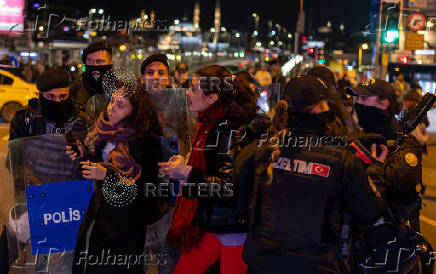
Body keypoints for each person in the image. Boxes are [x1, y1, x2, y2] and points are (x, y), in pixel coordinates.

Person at [242, 75, 386, 273]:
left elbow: (239, 204)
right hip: (316, 266)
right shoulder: (341, 159)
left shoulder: (259, 151)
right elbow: (368, 212)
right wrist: (376, 170)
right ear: (318, 108)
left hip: (262, 263)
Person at [160, 65, 258, 274]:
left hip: (232, 227)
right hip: (212, 221)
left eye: (194, 89)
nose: (188, 92)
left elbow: (226, 187)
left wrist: (186, 173)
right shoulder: (210, 123)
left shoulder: (229, 131)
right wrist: (185, 167)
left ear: (212, 98)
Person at [70, 83, 163, 274]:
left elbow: (147, 188)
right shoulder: (102, 132)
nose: (112, 108)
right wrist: (83, 154)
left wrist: (109, 175)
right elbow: (96, 166)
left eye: (121, 105)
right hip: (98, 214)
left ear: (135, 111)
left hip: (126, 223)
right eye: (112, 101)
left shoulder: (145, 141)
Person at [9, 67, 87, 141]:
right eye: (51, 96)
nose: (57, 100)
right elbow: (15, 150)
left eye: (63, 96)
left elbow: (90, 149)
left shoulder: (80, 117)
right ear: (40, 94)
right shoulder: (24, 118)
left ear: (69, 93)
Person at [70, 40, 113, 124]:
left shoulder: (119, 88)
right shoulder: (76, 87)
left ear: (110, 61)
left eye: (100, 61)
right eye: (90, 61)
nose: (95, 65)